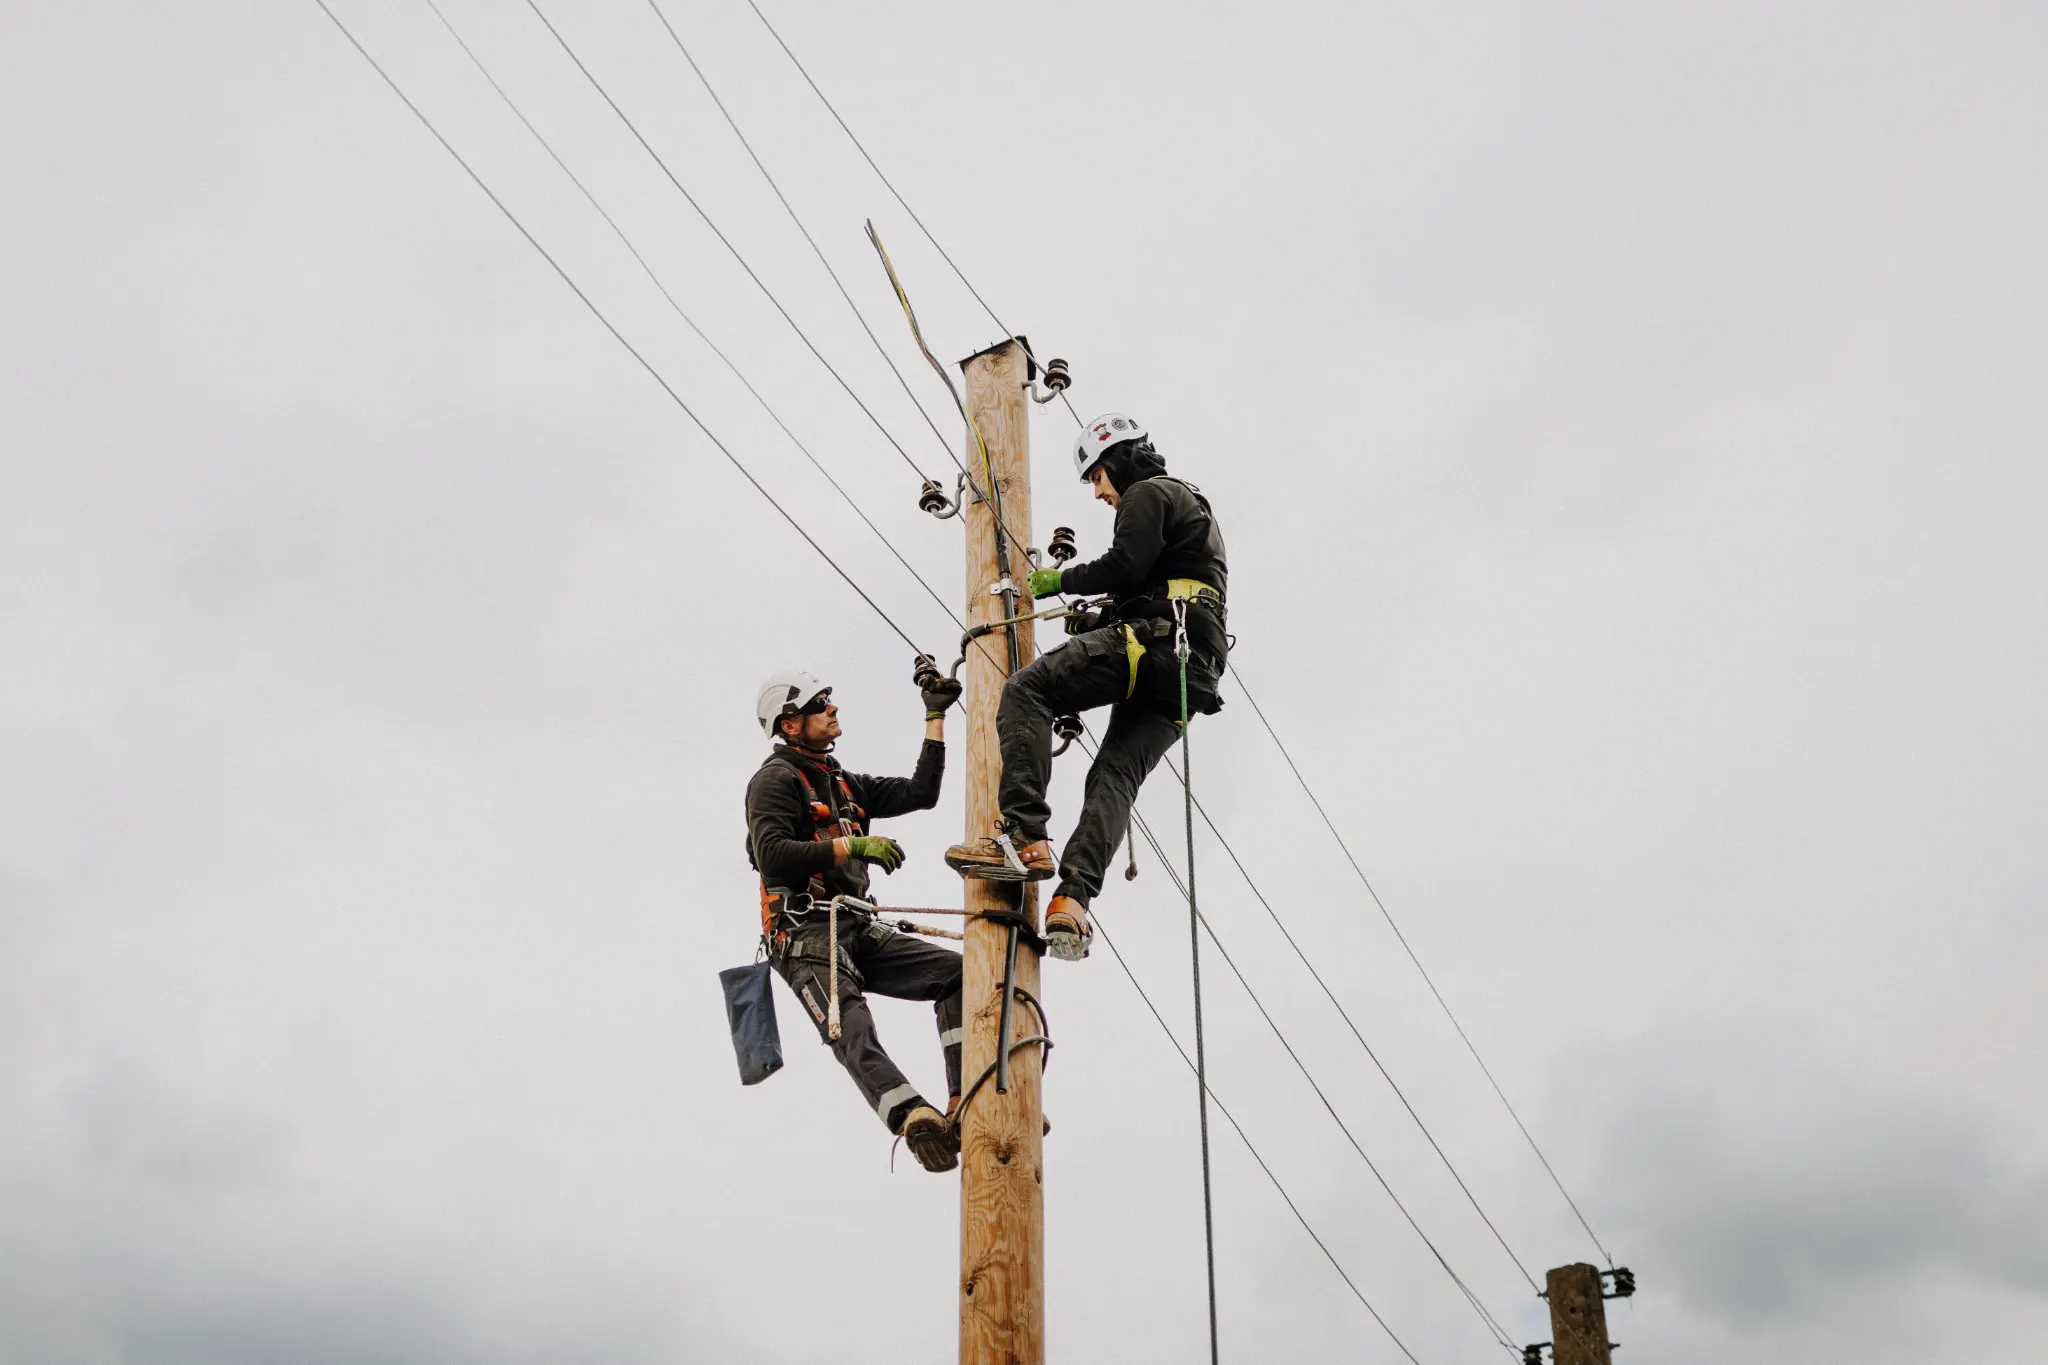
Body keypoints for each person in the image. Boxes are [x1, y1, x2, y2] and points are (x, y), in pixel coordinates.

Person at [944, 414, 1229, 962]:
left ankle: (1024, 838)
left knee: (1028, 692)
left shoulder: (1149, 492)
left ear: (1121, 459)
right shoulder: (1195, 513)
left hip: (1156, 644)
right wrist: (1096, 621)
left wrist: (1060, 582)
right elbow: (1155, 583)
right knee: (1114, 776)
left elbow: (1126, 565)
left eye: (1098, 476)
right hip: (1191, 674)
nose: (1100, 492)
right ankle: (1071, 902)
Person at [745, 664, 965, 1172]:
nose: (833, 707)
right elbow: (773, 853)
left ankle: (965, 1099)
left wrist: (934, 718)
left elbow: (920, 793)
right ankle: (913, 1117)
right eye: (820, 704)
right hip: (804, 933)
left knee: (959, 975)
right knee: (851, 1022)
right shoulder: (774, 781)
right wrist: (852, 845)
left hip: (857, 926)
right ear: (790, 724)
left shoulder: (844, 783)